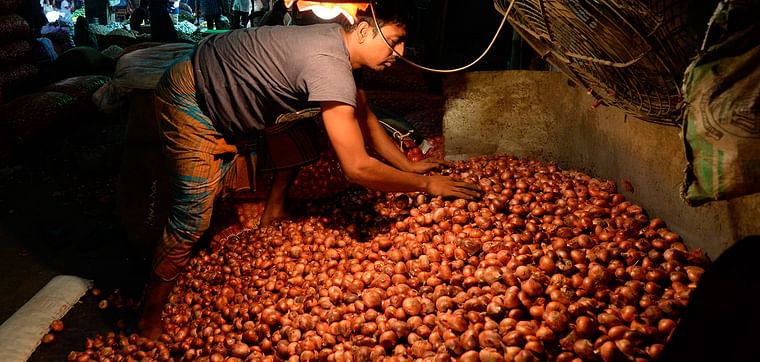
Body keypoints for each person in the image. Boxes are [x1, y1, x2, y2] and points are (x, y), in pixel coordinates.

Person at [136, 0, 480, 339]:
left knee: (303, 131)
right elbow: (357, 168)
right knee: (193, 216)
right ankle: (149, 313)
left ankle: (273, 212)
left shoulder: (340, 46)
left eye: (405, 43)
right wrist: (426, 185)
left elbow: (365, 115)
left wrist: (408, 165)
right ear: (362, 31)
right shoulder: (328, 65)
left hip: (229, 80)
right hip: (193, 93)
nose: (399, 53)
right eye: (394, 39)